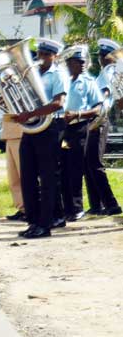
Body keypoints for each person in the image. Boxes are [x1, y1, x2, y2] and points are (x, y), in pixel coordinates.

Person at [17, 39, 68, 239]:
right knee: (28, 176)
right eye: (40, 54)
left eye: (47, 54)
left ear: (54, 56)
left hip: (51, 126)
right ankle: (33, 221)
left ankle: (45, 224)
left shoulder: (59, 74)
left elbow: (58, 103)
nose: (42, 58)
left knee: (47, 177)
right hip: (32, 126)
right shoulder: (32, 73)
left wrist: (30, 113)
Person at [60, 45, 100, 223]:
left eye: (84, 61)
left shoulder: (89, 82)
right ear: (69, 63)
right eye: (79, 61)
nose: (83, 64)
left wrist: (77, 114)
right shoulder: (61, 80)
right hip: (61, 128)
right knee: (62, 168)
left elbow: (98, 108)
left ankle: (77, 208)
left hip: (79, 128)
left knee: (76, 168)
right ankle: (65, 207)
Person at [86, 39, 122, 216]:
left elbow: (105, 94)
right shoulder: (104, 73)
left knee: (95, 164)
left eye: (102, 56)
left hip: (99, 119)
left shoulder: (110, 72)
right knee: (89, 164)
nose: (100, 58)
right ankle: (96, 205)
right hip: (94, 119)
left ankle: (111, 204)